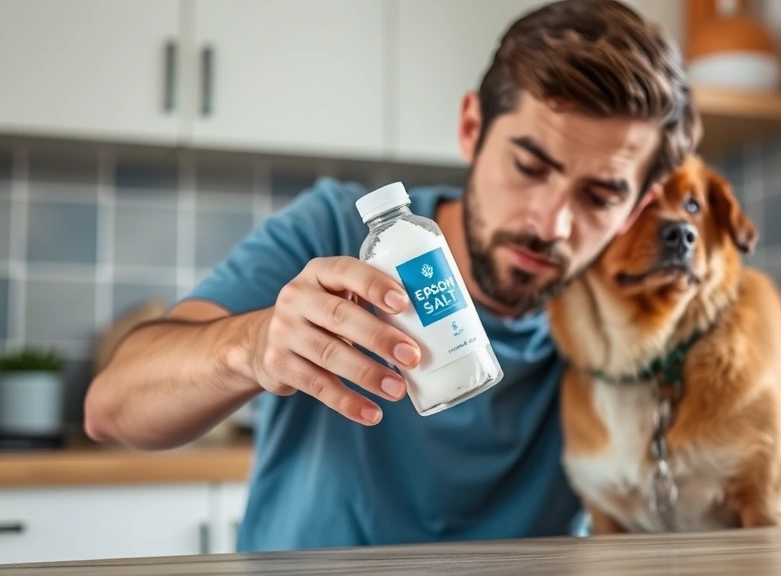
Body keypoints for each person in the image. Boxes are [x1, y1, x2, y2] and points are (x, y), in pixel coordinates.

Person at [83, 0, 701, 551]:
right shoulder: (333, 235)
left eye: (599, 196)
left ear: (636, 210)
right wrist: (253, 344)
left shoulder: (627, 329)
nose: (550, 224)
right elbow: (110, 407)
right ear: (471, 129)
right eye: (530, 166)